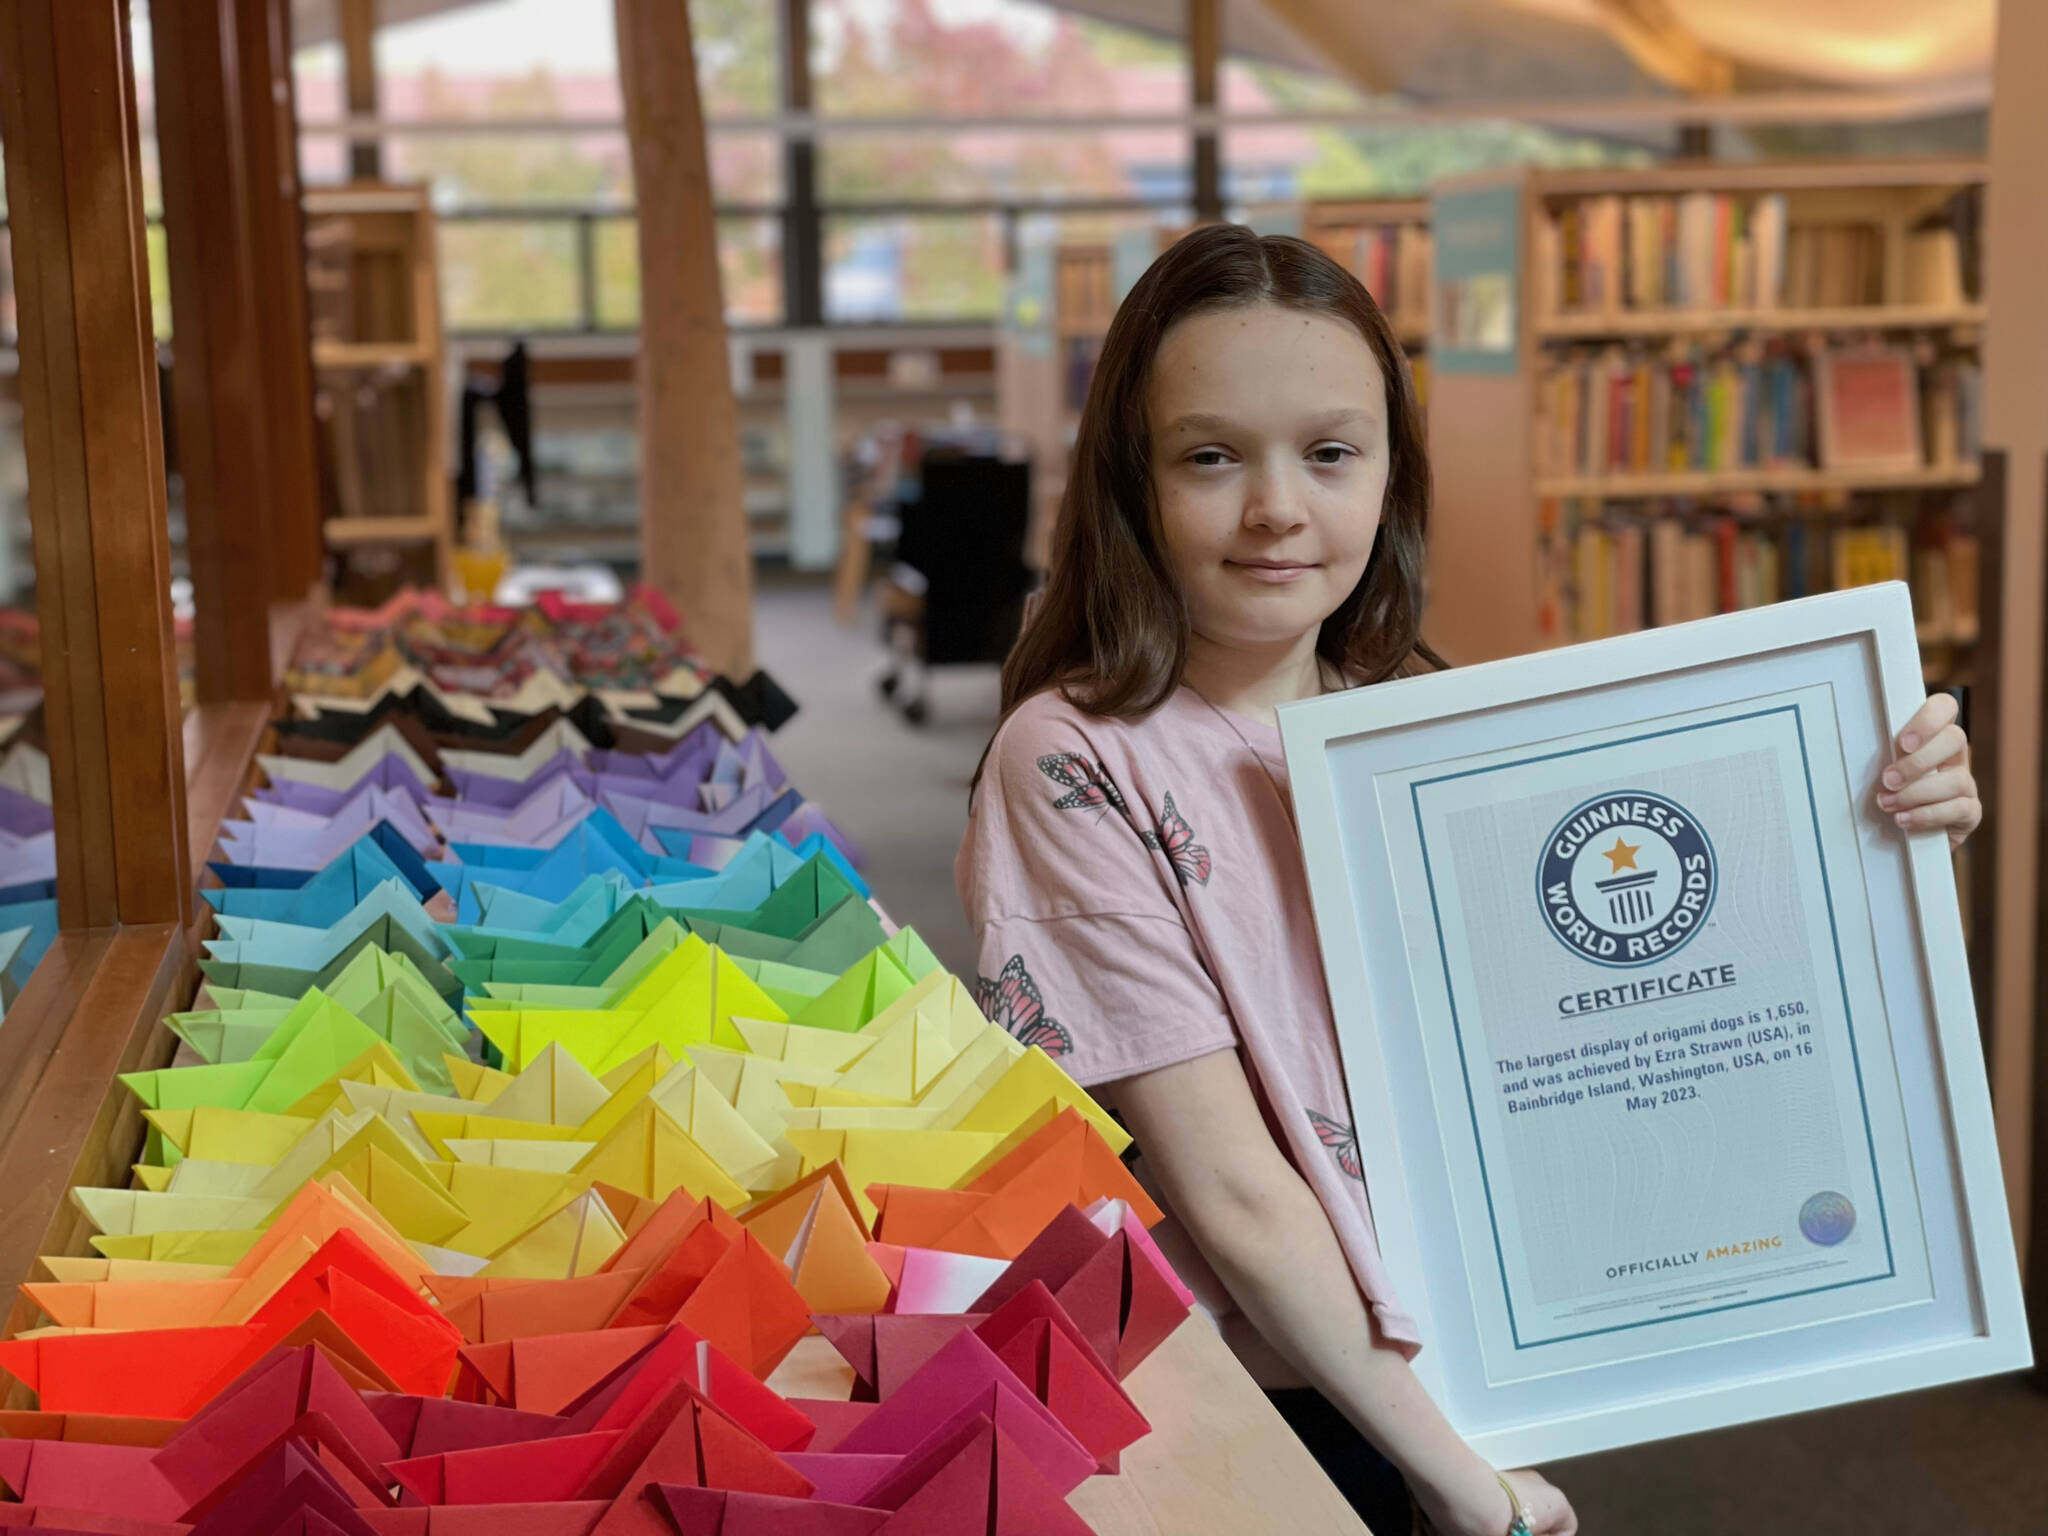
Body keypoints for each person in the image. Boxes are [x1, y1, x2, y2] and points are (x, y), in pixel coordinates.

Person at [955, 224, 1982, 1536]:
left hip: (1481, 1355)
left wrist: (1879, 832)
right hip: (1279, 1389)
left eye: (1330, 453)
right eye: (1211, 457)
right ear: (1129, 482)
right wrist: (1449, 1470)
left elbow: (1651, 991)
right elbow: (1236, 1194)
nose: (1278, 507)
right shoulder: (1076, 757)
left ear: (1390, 472)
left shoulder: (1417, 719)